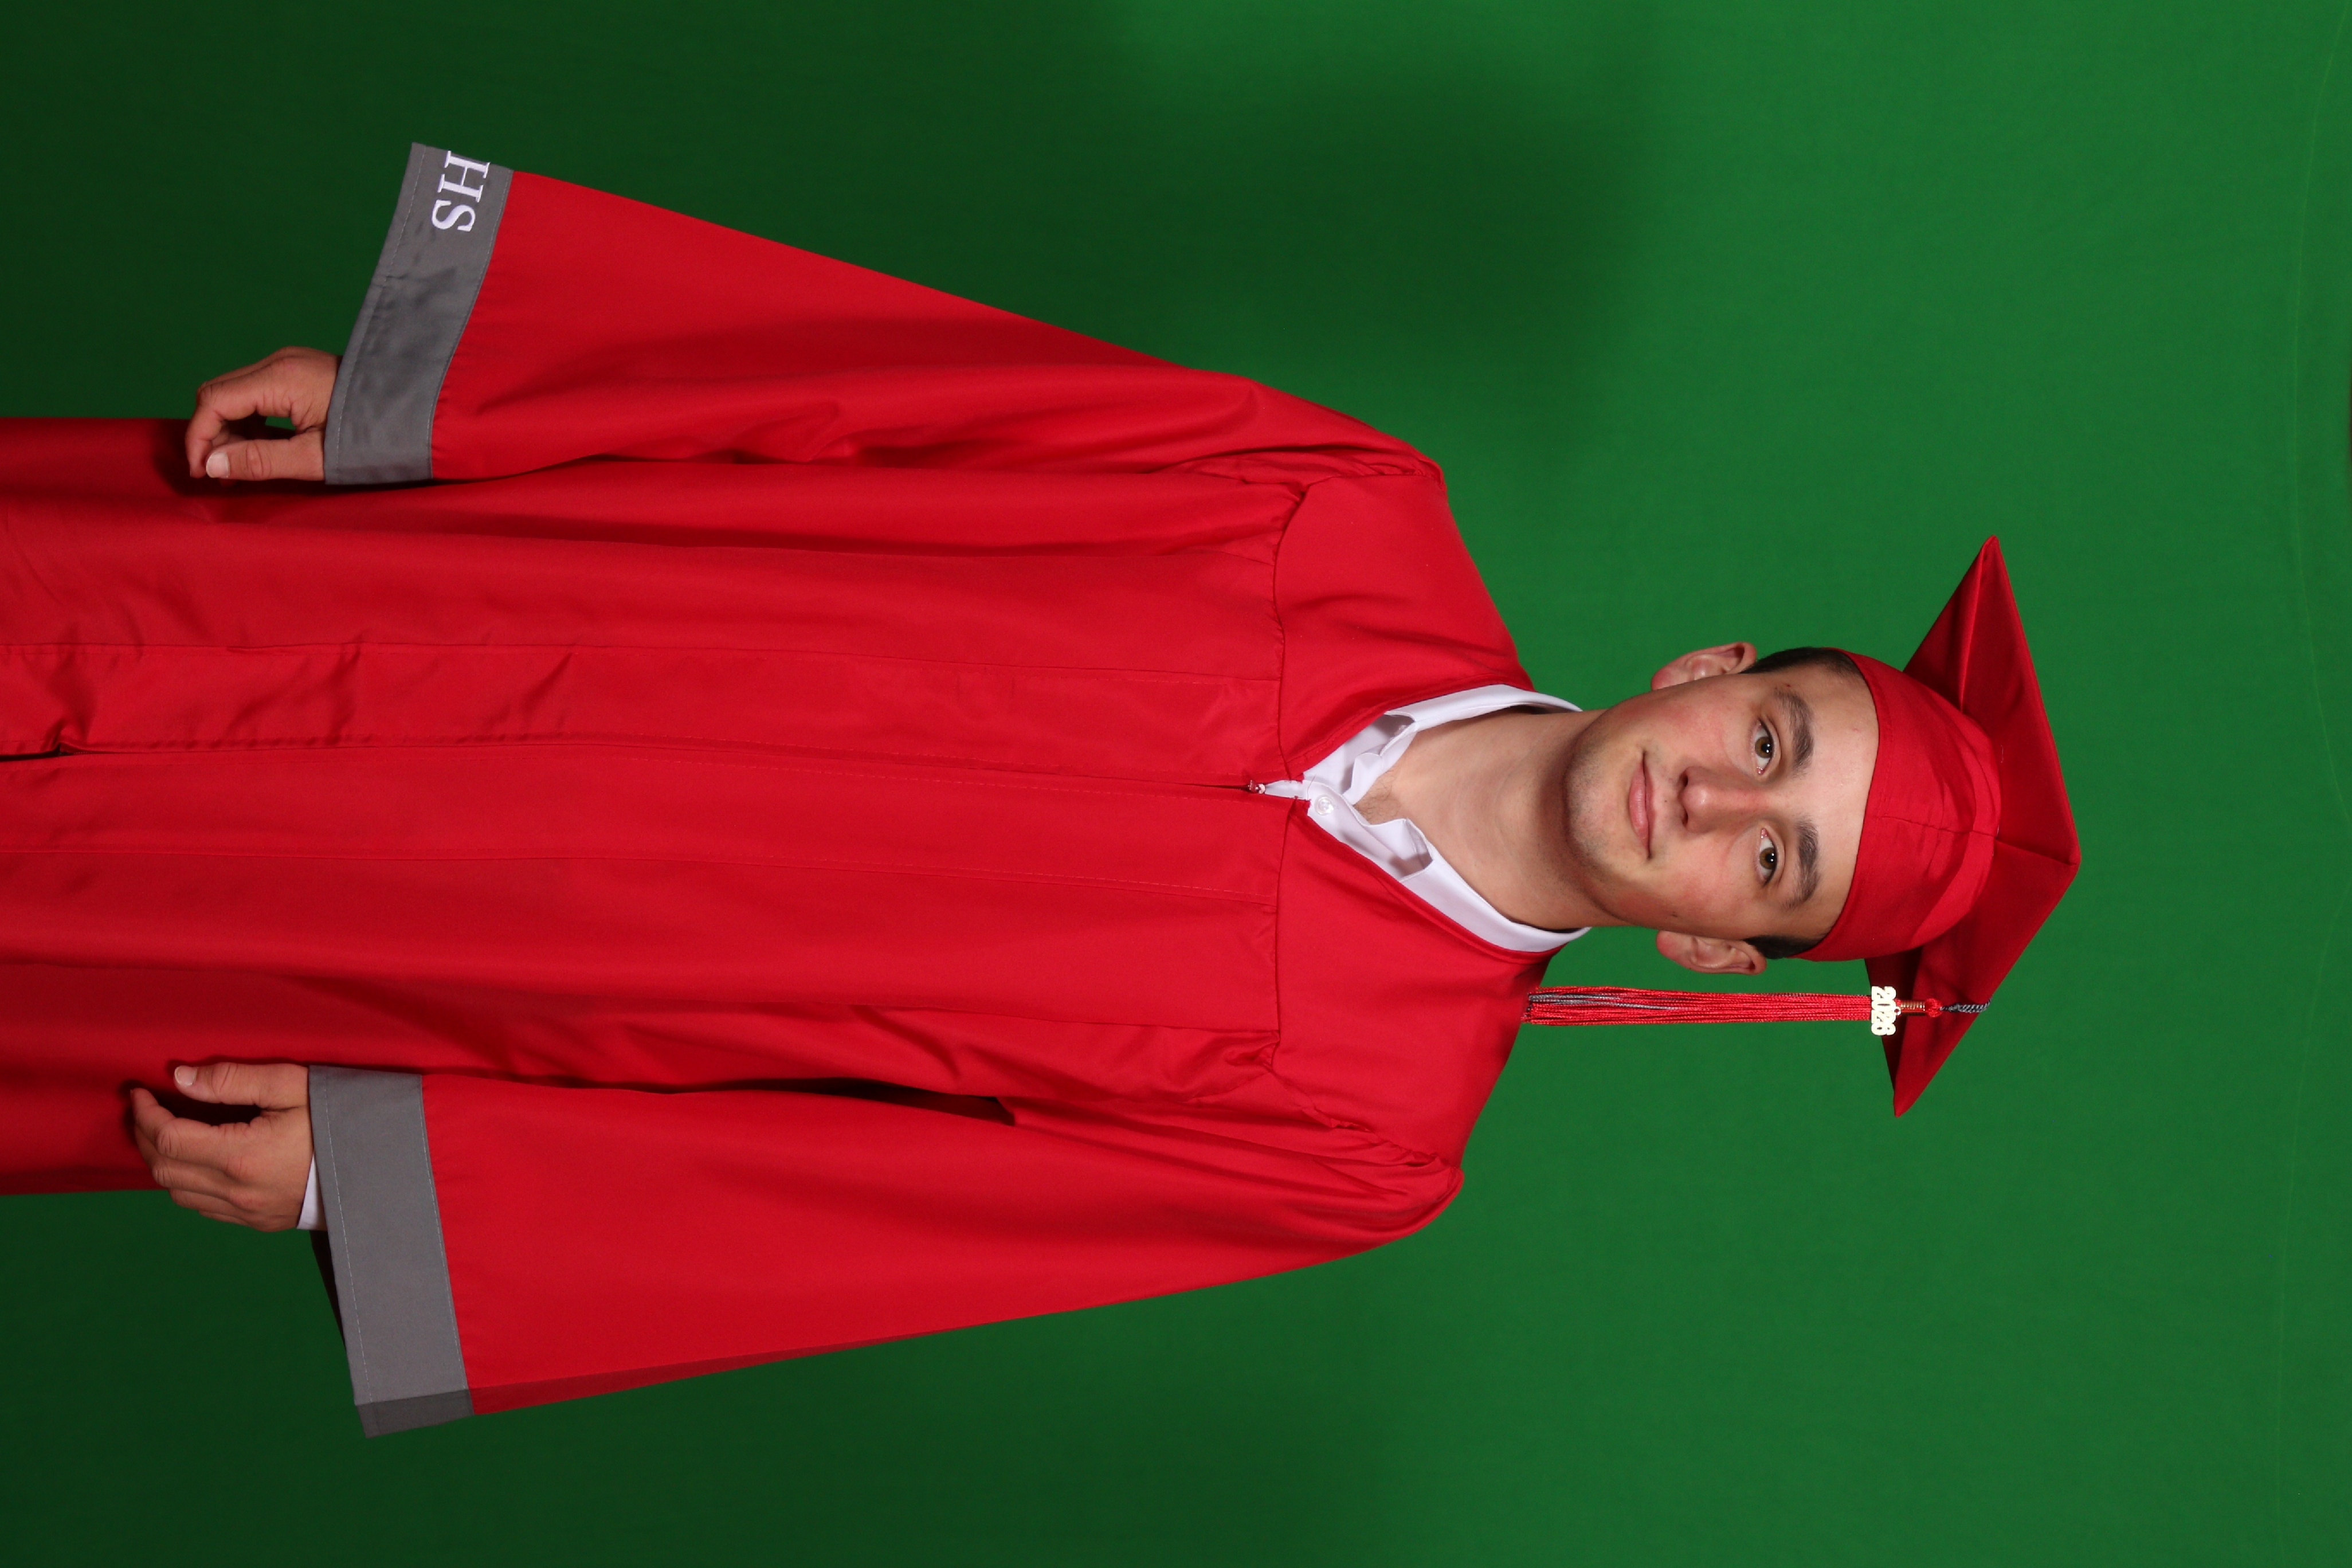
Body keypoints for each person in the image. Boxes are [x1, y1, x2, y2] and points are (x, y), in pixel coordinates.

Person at [0, 147, 2075, 1436]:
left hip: (433, 953)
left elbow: (862, 1217)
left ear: (1722, 950)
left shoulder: (1363, 1138)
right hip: (427, 593)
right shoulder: (1346, 507)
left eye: (1773, 862)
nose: (1709, 802)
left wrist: (391, 1181)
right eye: (1771, 743)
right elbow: (889, 393)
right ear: (1714, 670)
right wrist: (441, 403)